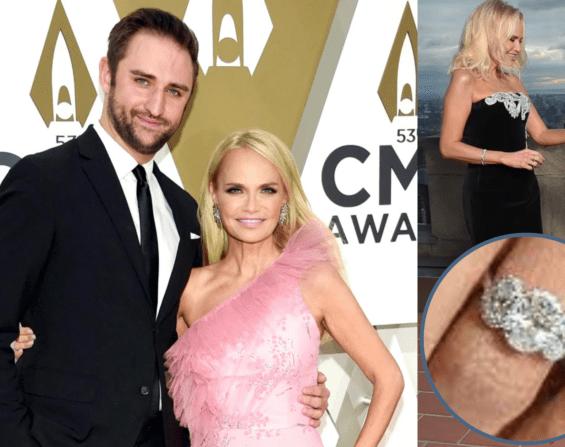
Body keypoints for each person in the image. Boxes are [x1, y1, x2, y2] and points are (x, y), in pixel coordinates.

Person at [0, 8, 327, 447]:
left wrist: (292, 383)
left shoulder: (183, 209)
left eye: (175, 91)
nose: (156, 106)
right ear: (106, 74)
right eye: (142, 81)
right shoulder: (43, 183)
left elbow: (221, 327)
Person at [164, 129, 404, 446]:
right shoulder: (188, 289)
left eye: (267, 190)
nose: (252, 206)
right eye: (236, 190)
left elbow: (389, 377)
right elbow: (168, 392)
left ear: (285, 198)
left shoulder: (315, 281)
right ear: (215, 195)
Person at [439, 0, 565, 244]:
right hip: (487, 193)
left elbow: (542, 134)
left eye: (521, 41)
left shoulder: (514, 82)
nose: (518, 48)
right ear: (489, 35)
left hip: (525, 188)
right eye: (511, 39)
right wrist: (506, 157)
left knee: (530, 266)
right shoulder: (464, 79)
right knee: (496, 270)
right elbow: (448, 146)